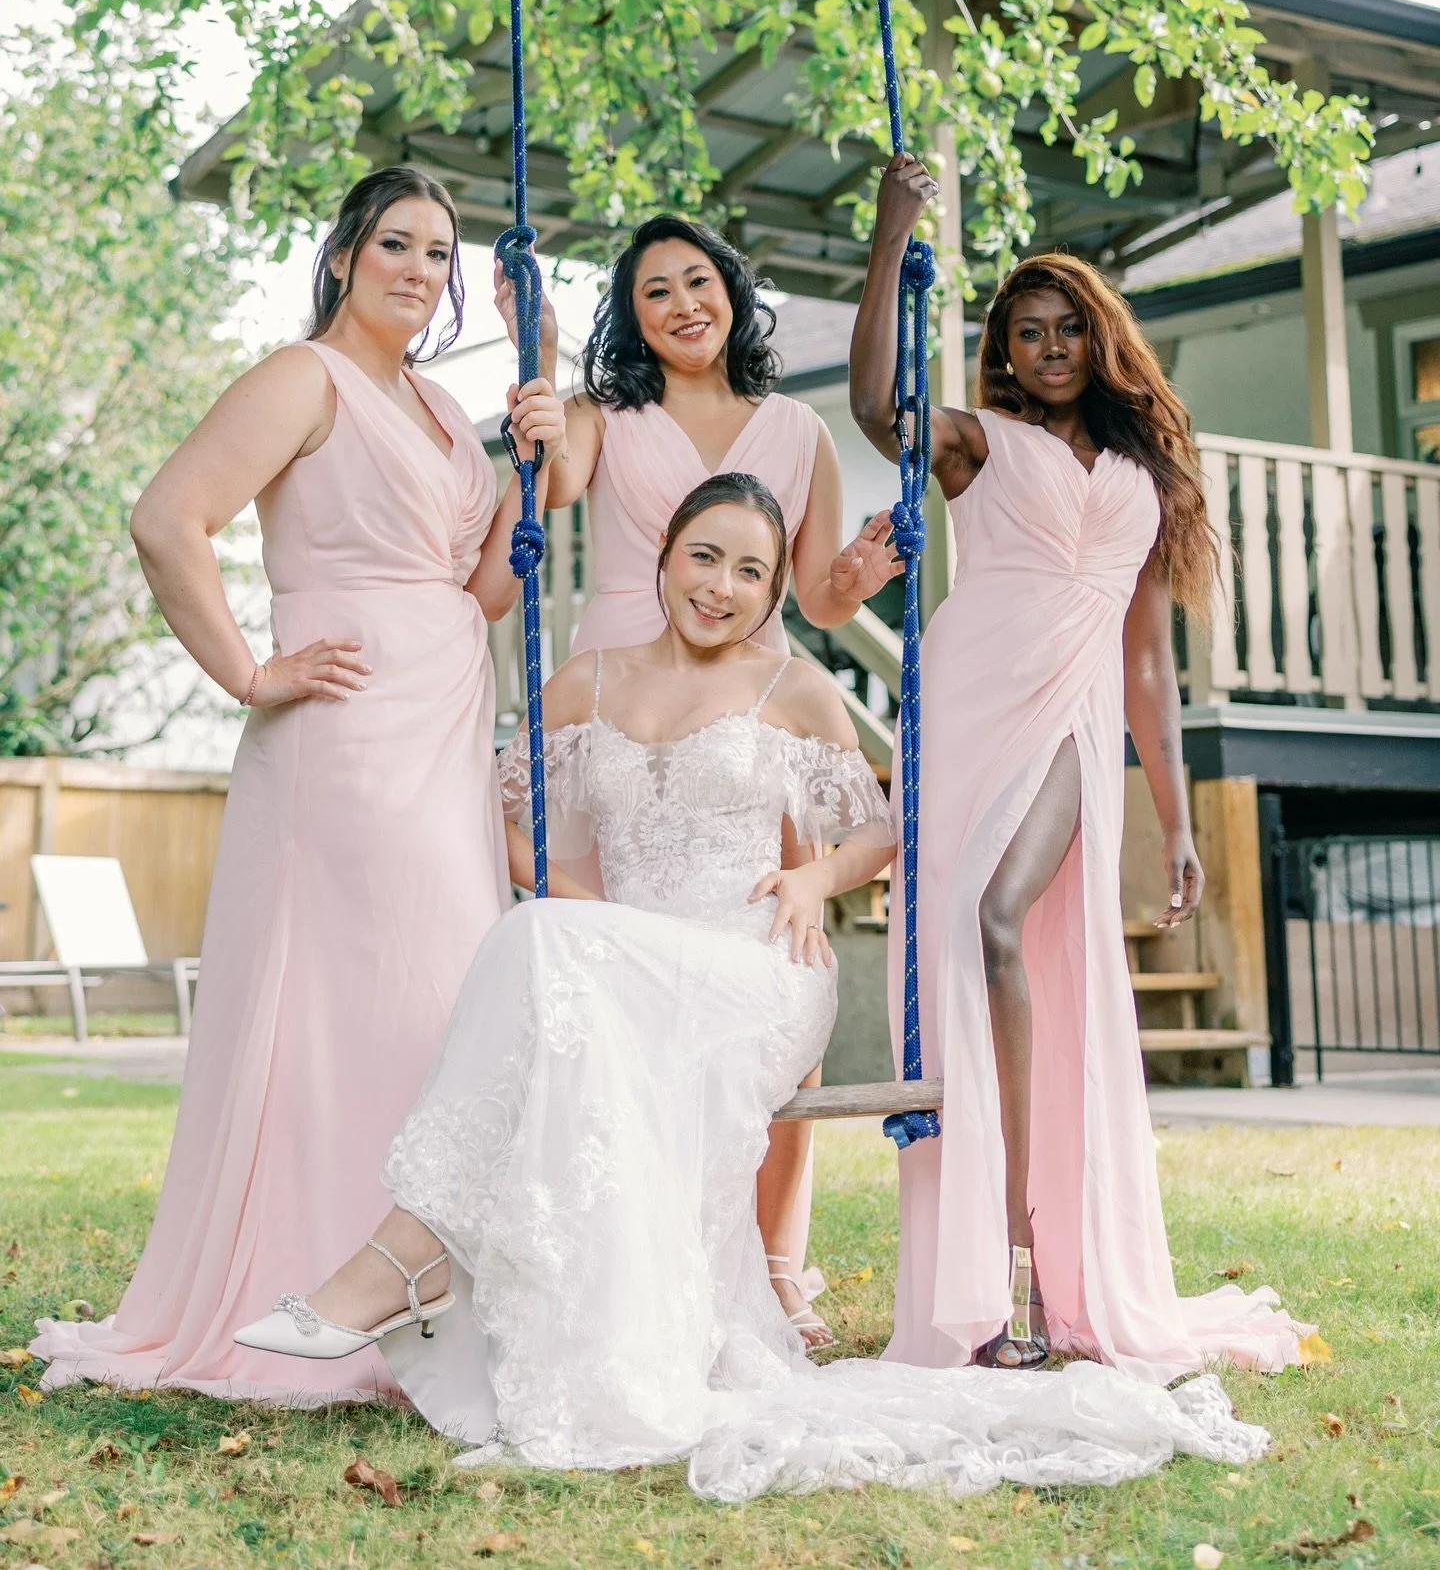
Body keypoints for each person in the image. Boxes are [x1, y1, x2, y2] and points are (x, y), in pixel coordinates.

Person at [232, 474, 1273, 1499]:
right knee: (545, 938)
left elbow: (878, 824)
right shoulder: (588, 681)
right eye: (704, 556)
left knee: (544, 942)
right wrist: (570, 881)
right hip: (627, 966)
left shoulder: (790, 687)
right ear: (663, 557)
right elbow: (492, 793)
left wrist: (817, 874)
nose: (720, 586)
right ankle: (431, 1262)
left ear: (774, 592)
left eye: (750, 571)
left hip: (760, 970)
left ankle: (403, 1256)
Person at [32, 167, 566, 1403]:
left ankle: (407, 1283)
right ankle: (318, 1282)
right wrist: (249, 671)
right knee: (374, 995)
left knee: (448, 990)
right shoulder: (300, 378)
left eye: (438, 254)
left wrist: (528, 450)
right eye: (396, 243)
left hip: (444, 724)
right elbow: (169, 516)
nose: (418, 270)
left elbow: (479, 589)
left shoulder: (439, 403)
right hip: (347, 740)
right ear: (341, 254)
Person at [850, 156, 1309, 1382]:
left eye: (1069, 329)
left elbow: (1149, 665)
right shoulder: (976, 442)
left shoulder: (1147, 476)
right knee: (964, 942)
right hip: (967, 695)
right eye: (1028, 332)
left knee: (1006, 923)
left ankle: (1041, 1266)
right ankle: (994, 1276)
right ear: (1003, 350)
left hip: (1072, 710)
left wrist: (1174, 818)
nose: (1051, 347)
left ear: (1101, 340)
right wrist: (894, 232)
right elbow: (877, 405)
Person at [501, 214, 901, 1341]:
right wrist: (535, 365)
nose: (682, 303)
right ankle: (617, 1238)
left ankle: (773, 1264)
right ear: (630, 316)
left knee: (773, 962)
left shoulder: (800, 426)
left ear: (733, 291)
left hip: (752, 692)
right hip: (623, 687)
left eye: (698, 280)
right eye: (654, 290)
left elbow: (813, 598)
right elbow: (560, 476)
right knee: (609, 960)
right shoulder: (610, 416)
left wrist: (856, 580)